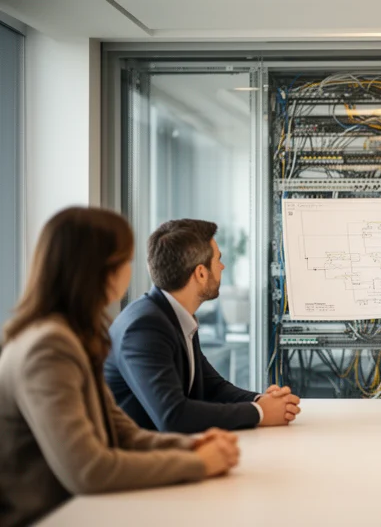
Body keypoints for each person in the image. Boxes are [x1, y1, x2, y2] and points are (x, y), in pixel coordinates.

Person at [0, 207, 239, 527]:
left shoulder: (71, 337)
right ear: (100, 271)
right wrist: (196, 463)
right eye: (125, 260)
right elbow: (89, 470)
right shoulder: (48, 348)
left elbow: (121, 432)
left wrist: (193, 445)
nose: (132, 271)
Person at [105, 219, 300, 433]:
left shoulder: (174, 315)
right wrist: (259, 413)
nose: (222, 266)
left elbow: (211, 387)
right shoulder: (144, 328)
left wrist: (262, 400)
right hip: (137, 459)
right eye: (218, 260)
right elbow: (173, 416)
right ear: (200, 273)